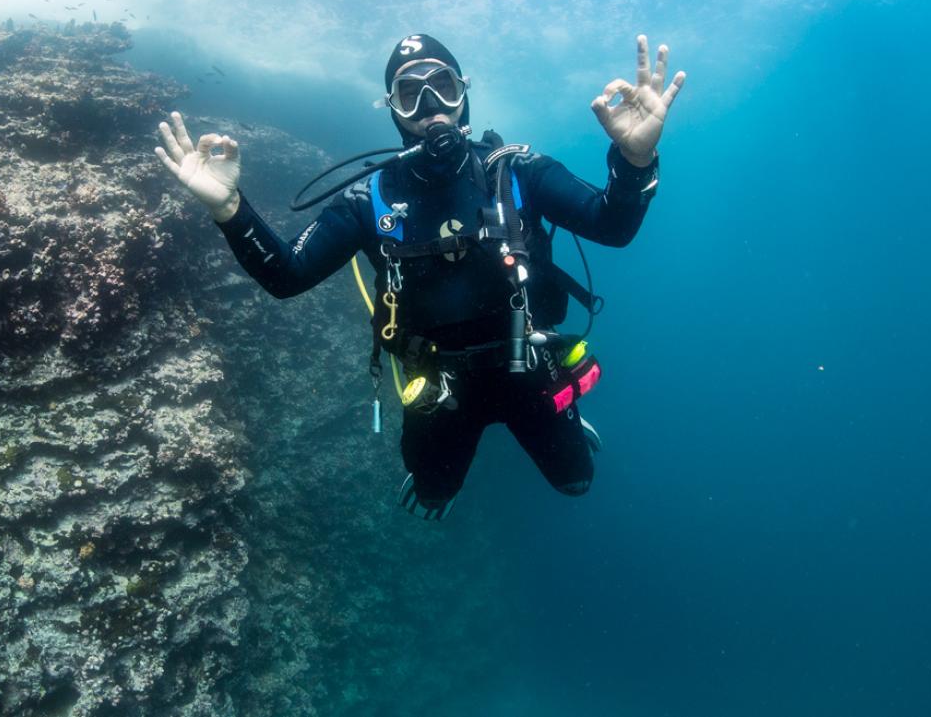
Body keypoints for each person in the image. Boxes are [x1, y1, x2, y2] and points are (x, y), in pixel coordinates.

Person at [154, 34, 685, 520]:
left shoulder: (517, 170)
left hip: (531, 367)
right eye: (410, 95)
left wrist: (635, 161)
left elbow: (611, 227)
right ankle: (445, 476)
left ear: (464, 96)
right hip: (439, 389)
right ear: (394, 111)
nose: (430, 108)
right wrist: (230, 208)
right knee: (432, 495)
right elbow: (287, 276)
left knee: (577, 483)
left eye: (443, 87)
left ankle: (565, 424)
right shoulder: (369, 199)